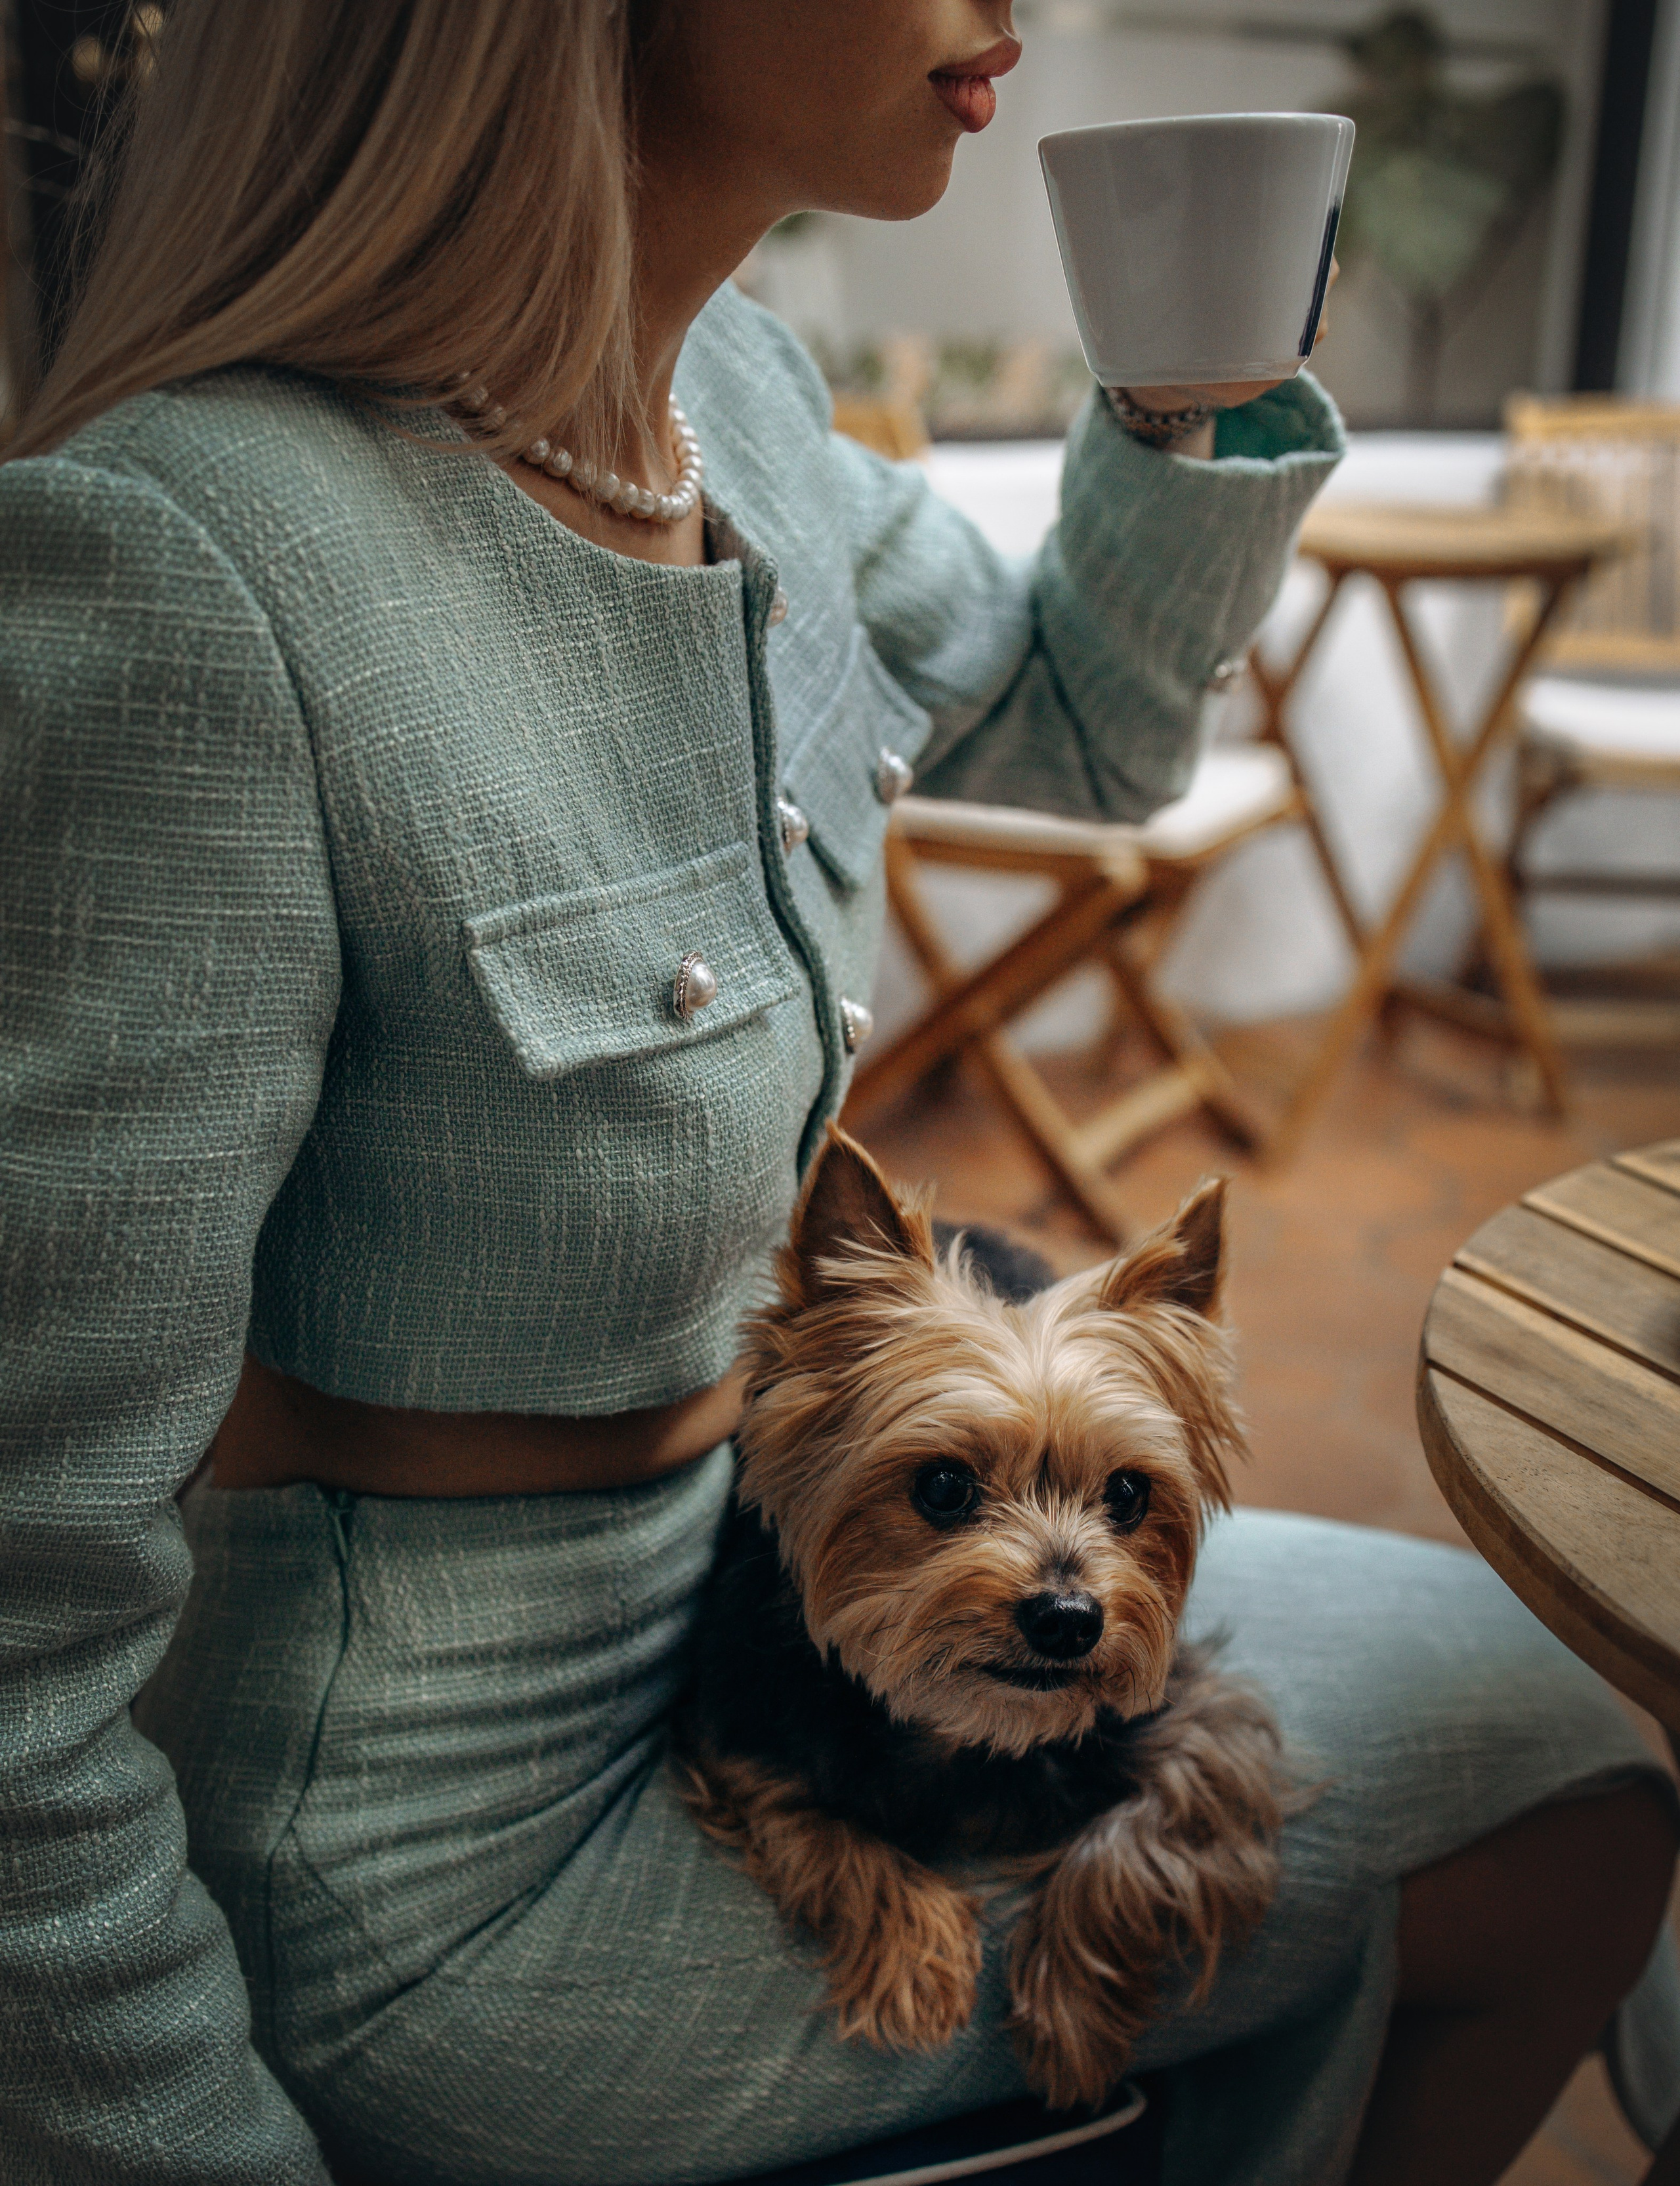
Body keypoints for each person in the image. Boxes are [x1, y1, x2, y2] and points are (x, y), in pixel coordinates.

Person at [1, 4, 1673, 2183]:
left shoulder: (747, 417)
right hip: (449, 1853)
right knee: (1556, 1837)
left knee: (1575, 1729)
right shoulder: (191, 561)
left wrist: (1194, 377)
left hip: (793, 1591)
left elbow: (1083, 717)